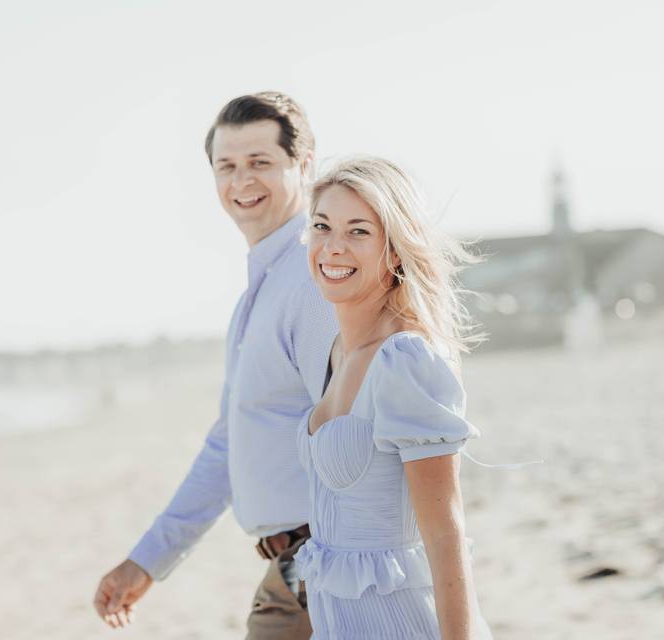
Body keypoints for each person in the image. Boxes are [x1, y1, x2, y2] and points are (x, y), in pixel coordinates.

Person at [92, 92, 337, 639]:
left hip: (328, 567)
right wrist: (148, 561)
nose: (241, 181)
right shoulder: (257, 297)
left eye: (259, 163)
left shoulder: (316, 284)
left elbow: (359, 431)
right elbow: (229, 445)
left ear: (305, 164)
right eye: (226, 166)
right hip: (292, 569)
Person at [296, 156, 493, 639]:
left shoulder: (406, 358)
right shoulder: (338, 351)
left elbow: (445, 533)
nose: (333, 247)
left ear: (396, 249)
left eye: (358, 231)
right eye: (322, 226)